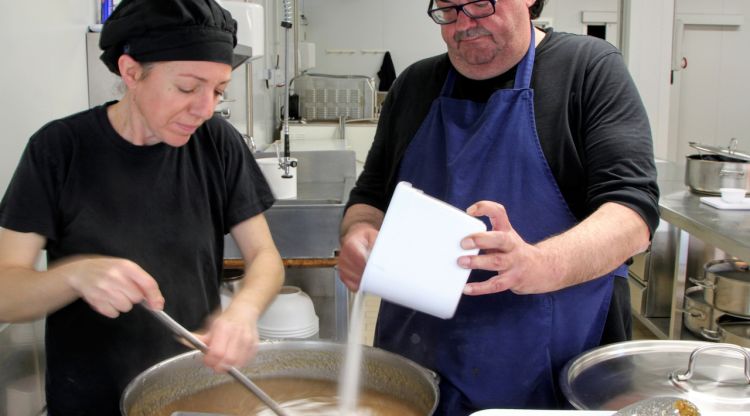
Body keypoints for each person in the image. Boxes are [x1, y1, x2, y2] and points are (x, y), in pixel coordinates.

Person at [338, 0, 659, 414]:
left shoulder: (588, 69)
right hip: (418, 370)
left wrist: (541, 263)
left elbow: (633, 212)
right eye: (449, 11)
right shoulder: (414, 85)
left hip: (549, 378)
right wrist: (358, 234)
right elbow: (369, 198)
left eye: (480, 5)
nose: (463, 25)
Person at [0, 0, 284, 414]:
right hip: (88, 400)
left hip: (191, 394)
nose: (205, 109)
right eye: (188, 88)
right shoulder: (58, 150)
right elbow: (6, 293)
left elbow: (265, 257)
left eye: (218, 90)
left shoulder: (217, 144)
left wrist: (243, 311)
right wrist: (75, 276)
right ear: (131, 72)